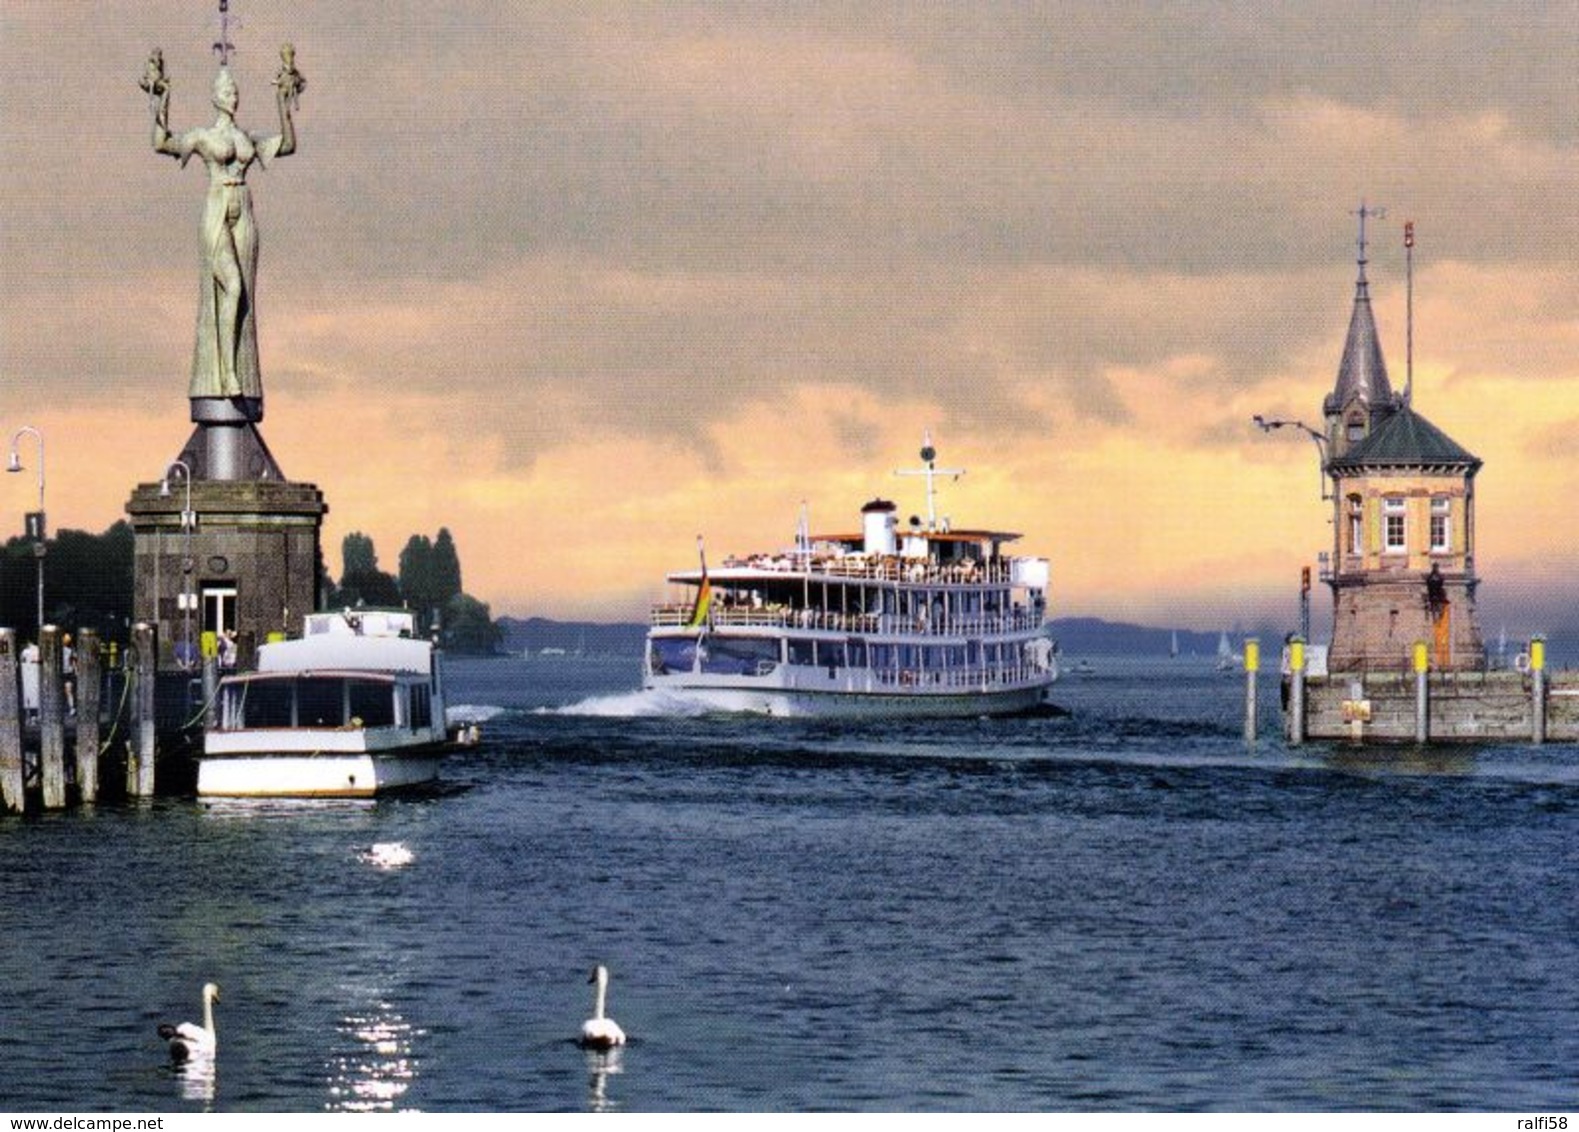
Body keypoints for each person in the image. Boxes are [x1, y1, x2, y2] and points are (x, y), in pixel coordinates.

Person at [144, 45, 304, 404]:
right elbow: (161, 143)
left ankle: (241, 371)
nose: (233, 97)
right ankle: (225, 373)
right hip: (217, 208)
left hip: (244, 209)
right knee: (231, 285)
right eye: (227, 92)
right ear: (215, 98)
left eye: (235, 92)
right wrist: (162, 98)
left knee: (245, 294)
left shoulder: (247, 139)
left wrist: (283, 100)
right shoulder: (204, 137)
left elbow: (289, 145)